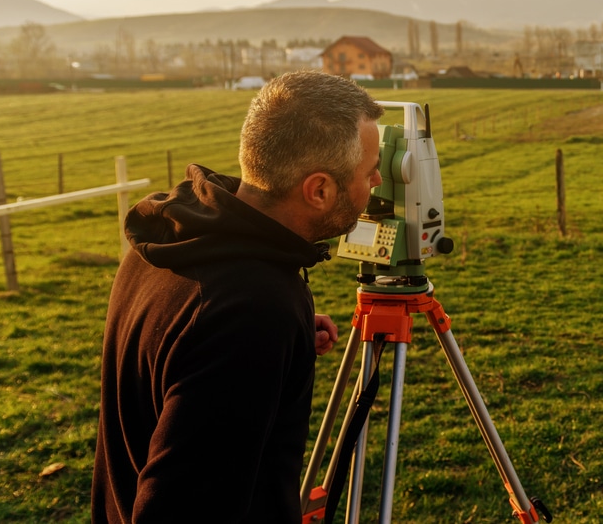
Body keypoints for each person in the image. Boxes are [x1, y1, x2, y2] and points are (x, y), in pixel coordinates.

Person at [92, 71, 384, 523]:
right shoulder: (252, 310)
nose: (378, 181)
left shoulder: (171, 237)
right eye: (369, 171)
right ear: (320, 190)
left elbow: (180, 342)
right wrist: (263, 329)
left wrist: (279, 340)